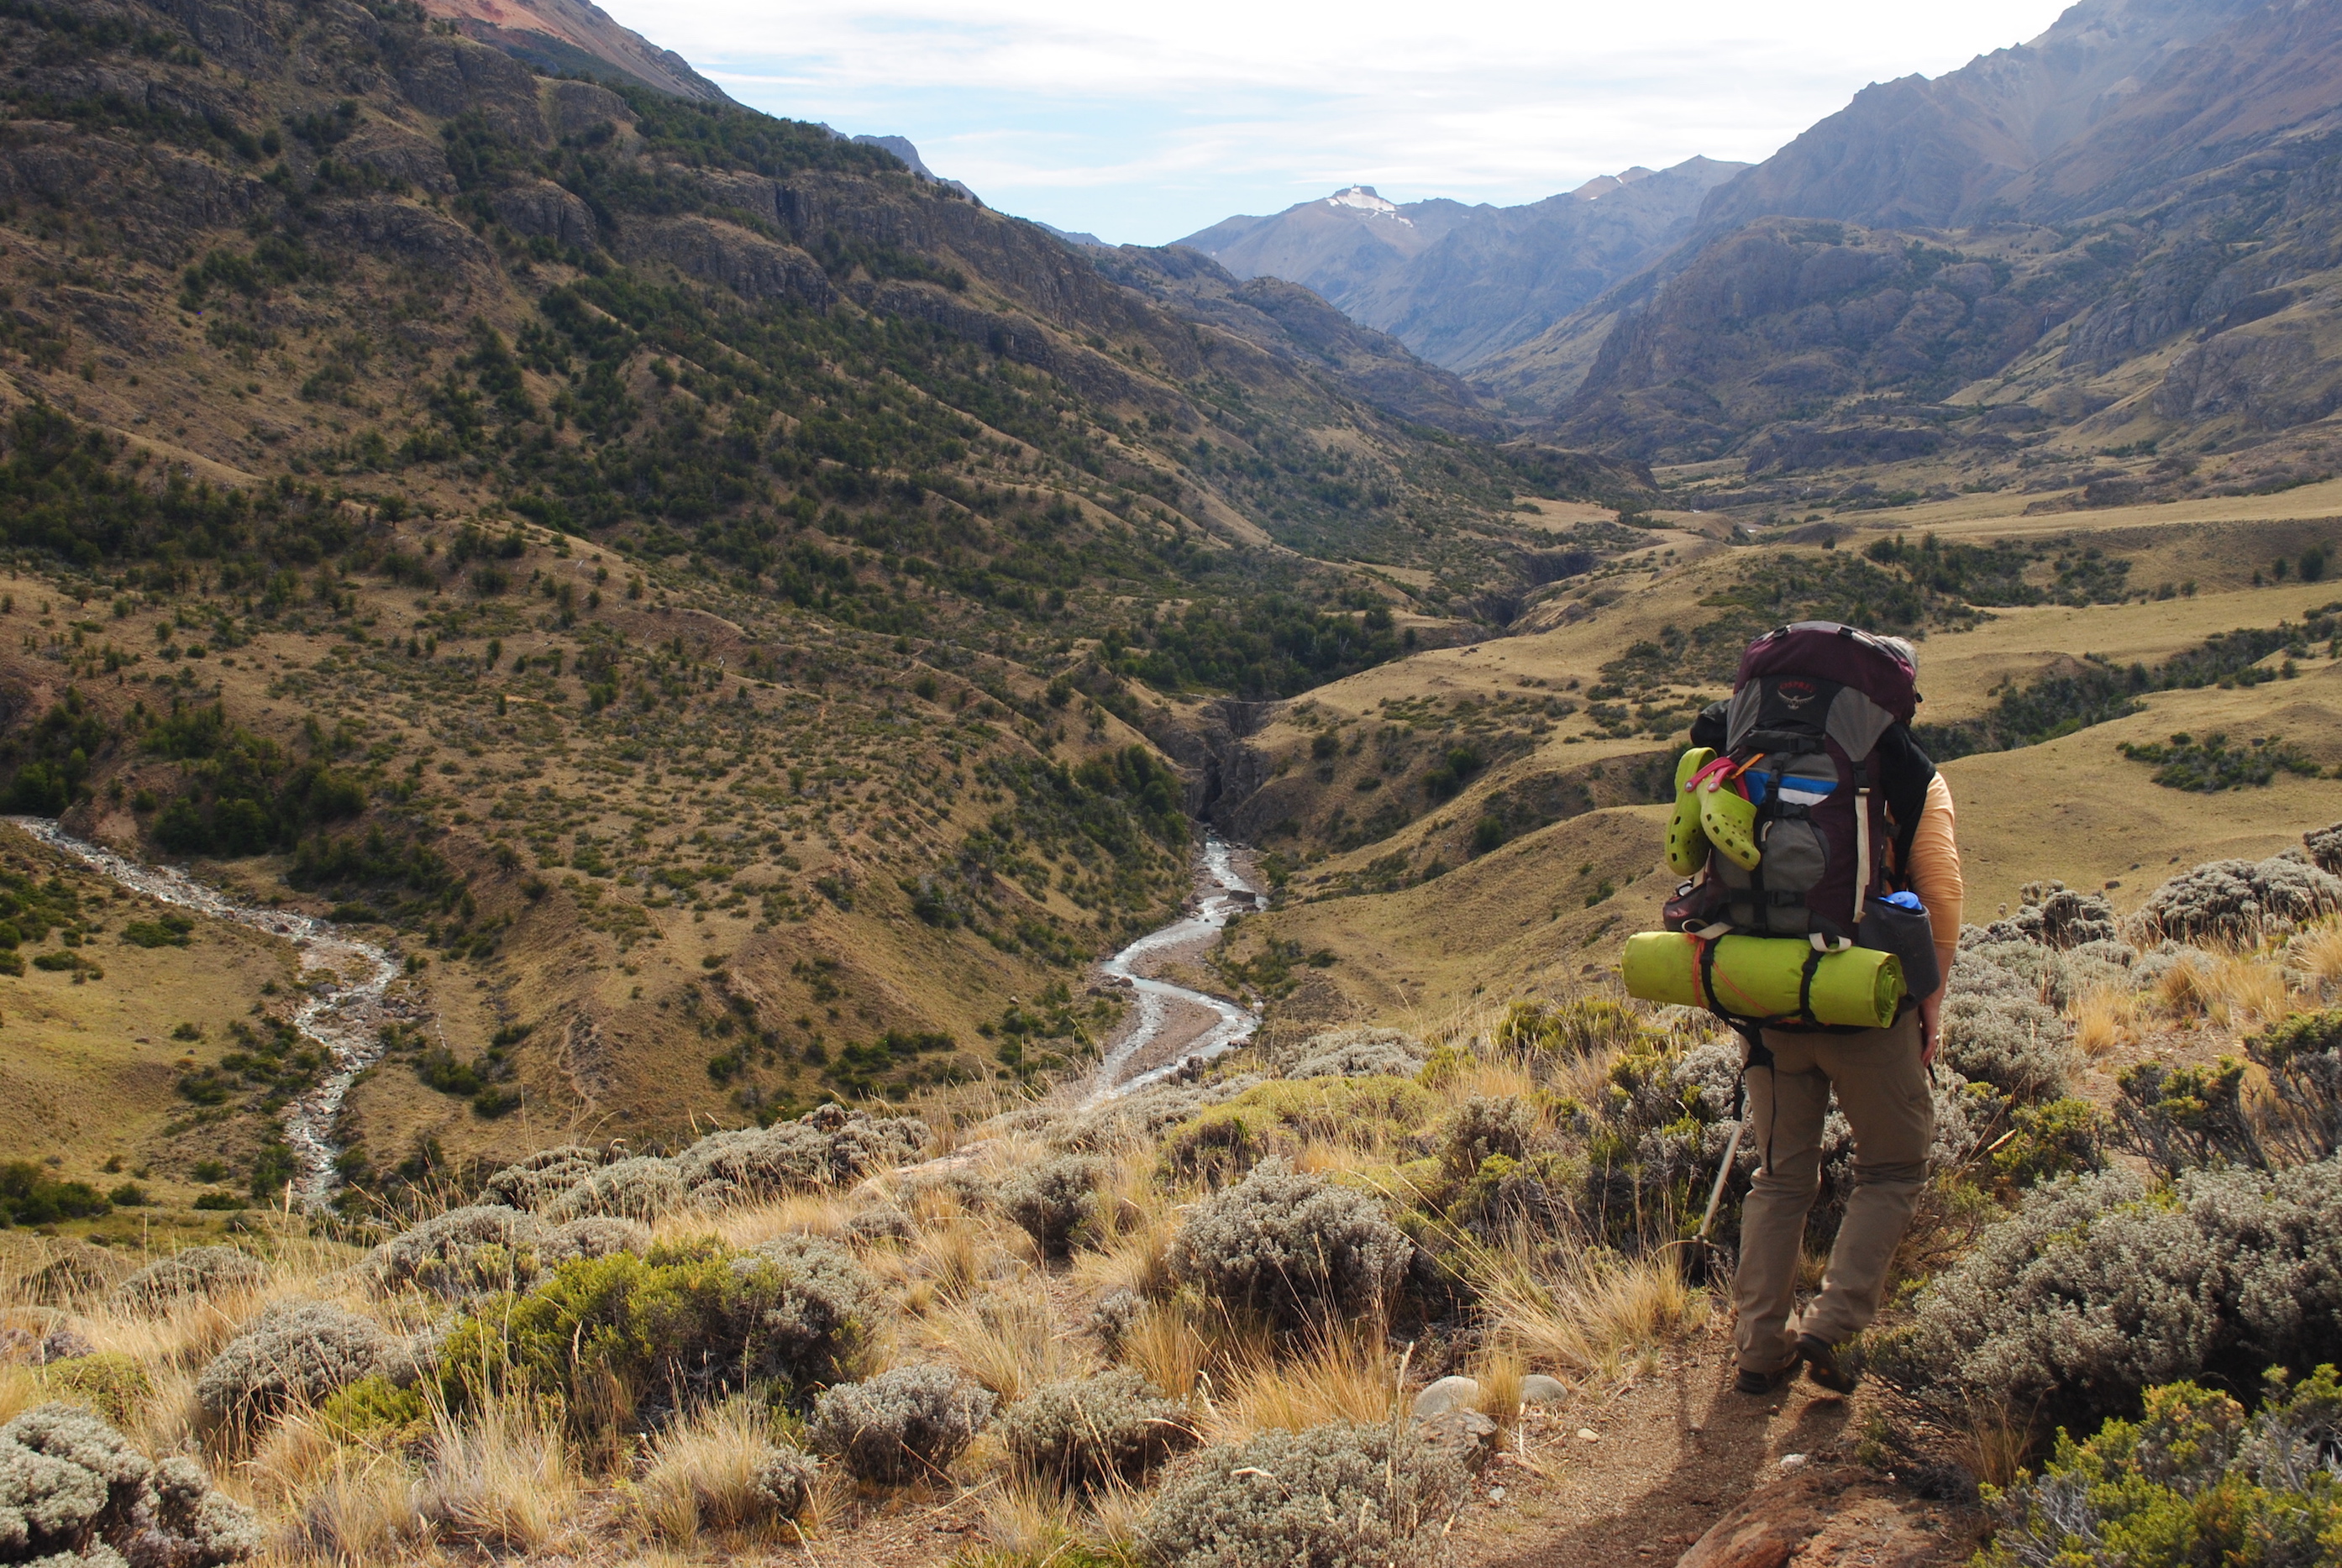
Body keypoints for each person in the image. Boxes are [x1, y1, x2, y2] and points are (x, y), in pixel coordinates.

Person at [1730, 632, 1963, 1396]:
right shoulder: (1910, 768)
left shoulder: (1745, 739)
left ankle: (1759, 1349)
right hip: (1864, 995)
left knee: (1779, 1177)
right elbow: (1940, 893)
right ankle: (1832, 1326)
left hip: (1768, 994)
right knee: (1893, 1165)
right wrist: (1930, 1001)